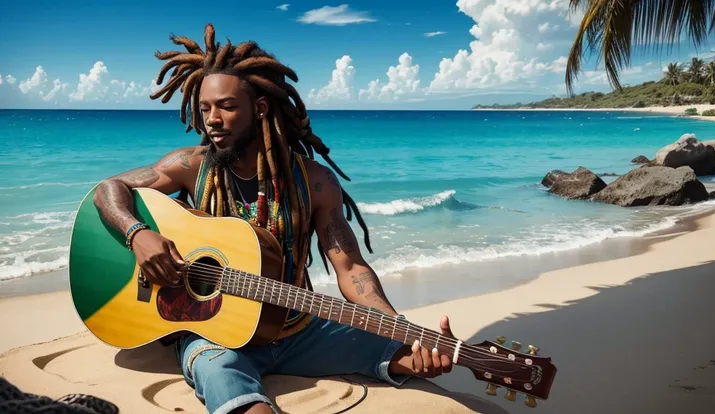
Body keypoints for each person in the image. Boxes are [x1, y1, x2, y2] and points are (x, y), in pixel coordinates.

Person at [92, 23, 456, 414]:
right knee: (242, 399)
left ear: (260, 108)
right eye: (205, 108)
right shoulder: (191, 165)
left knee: (412, 358)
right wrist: (137, 234)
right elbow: (107, 190)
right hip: (215, 337)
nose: (211, 119)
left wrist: (398, 328)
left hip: (301, 329)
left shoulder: (314, 182)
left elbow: (350, 267)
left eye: (227, 106)